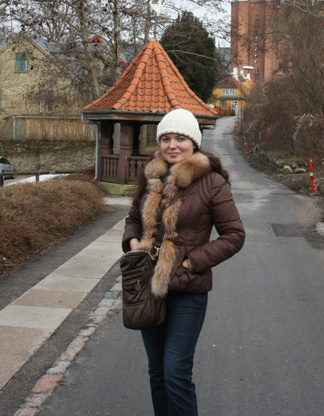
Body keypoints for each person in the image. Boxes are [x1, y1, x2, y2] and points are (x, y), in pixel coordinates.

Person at [123, 108, 245, 416]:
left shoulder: (211, 182)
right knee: (157, 372)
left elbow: (234, 235)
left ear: (194, 142)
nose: (172, 145)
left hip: (187, 290)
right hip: (146, 287)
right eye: (166, 138)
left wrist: (192, 262)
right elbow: (134, 218)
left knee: (175, 370)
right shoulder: (152, 175)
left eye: (180, 138)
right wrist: (133, 242)